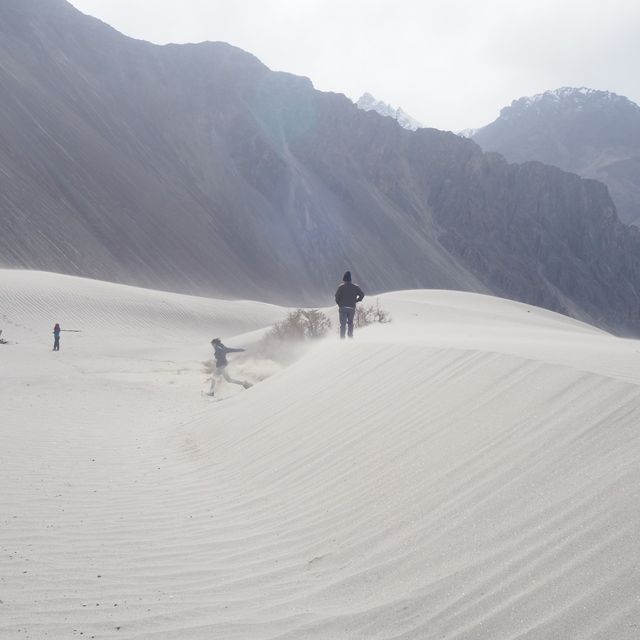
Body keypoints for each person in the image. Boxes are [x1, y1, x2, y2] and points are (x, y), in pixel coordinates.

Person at [334, 271, 364, 339]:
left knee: (343, 324)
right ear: (350, 279)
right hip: (351, 307)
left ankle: (342, 339)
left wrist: (339, 304)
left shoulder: (341, 287)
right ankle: (350, 337)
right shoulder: (355, 287)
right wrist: (357, 300)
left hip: (343, 307)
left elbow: (336, 297)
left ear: (344, 278)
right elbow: (362, 295)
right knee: (350, 323)